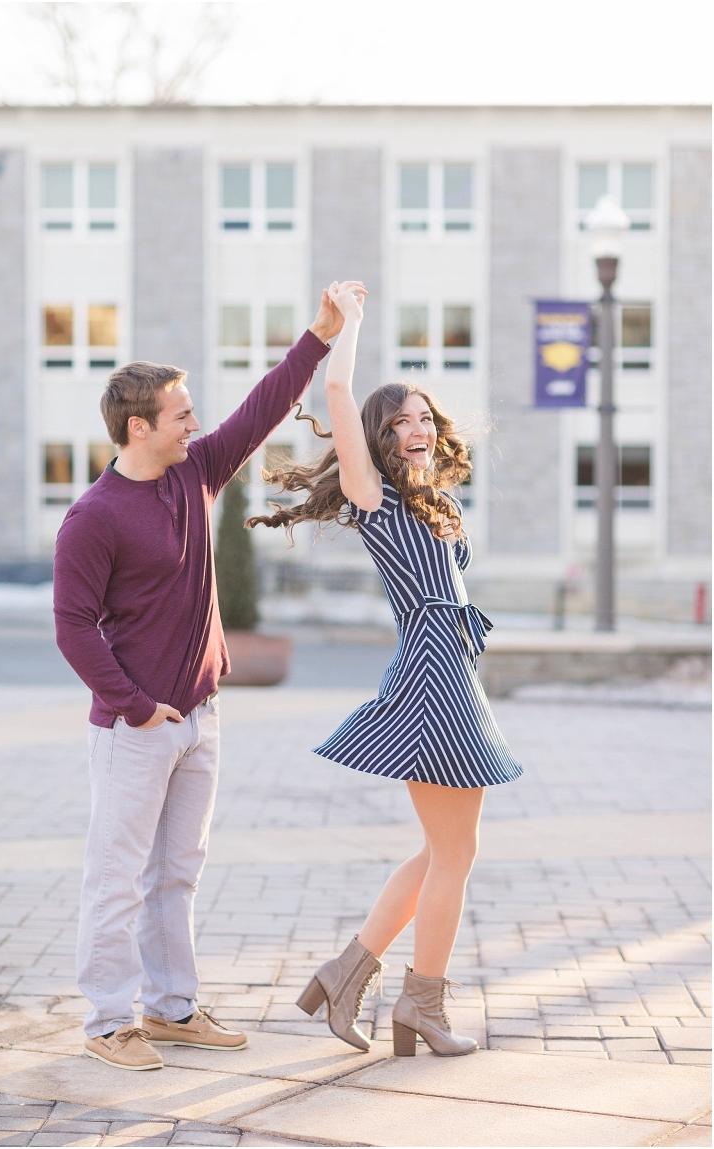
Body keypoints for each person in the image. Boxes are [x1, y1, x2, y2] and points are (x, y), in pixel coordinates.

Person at [53, 287, 343, 1071]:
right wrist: (137, 707)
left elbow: (263, 409)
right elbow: (73, 628)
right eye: (181, 412)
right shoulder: (94, 516)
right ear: (137, 425)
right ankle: (111, 1019)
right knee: (116, 877)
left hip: (202, 718)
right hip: (135, 730)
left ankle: (172, 1006)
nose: (196, 422)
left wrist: (317, 338)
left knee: (177, 871)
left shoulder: (196, 472)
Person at [247, 281, 523, 1058]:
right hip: (432, 676)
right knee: (456, 854)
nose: (416, 429)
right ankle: (417, 1005)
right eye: (398, 421)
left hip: (450, 671)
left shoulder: (436, 503)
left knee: (446, 852)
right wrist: (351, 326)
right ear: (376, 437)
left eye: (424, 418)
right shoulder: (376, 501)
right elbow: (336, 386)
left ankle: (351, 975)